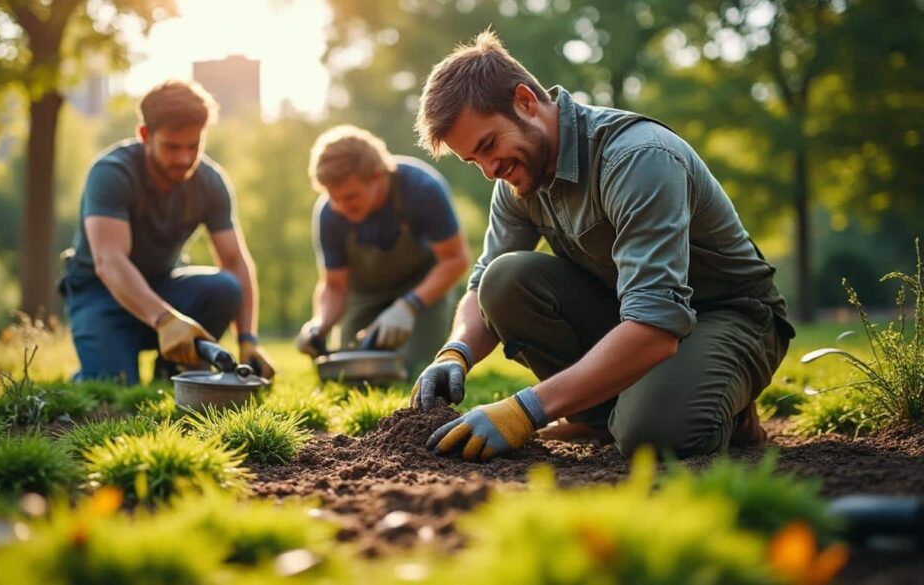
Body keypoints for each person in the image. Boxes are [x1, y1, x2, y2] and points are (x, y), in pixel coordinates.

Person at [410, 31, 795, 461]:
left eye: (488, 145)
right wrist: (455, 352)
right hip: (632, 315)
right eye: (473, 160)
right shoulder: (517, 179)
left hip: (730, 315)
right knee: (504, 280)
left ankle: (721, 404)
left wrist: (525, 409)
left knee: (653, 435)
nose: (489, 169)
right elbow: (481, 287)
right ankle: (601, 419)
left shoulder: (637, 158)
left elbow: (656, 326)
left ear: (525, 101)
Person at [60, 80, 274, 384]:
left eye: (193, 146)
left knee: (225, 288)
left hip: (164, 287)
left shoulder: (210, 182)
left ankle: (172, 371)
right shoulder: (111, 173)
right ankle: (92, 372)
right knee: (115, 386)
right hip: (100, 294)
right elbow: (109, 261)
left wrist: (248, 339)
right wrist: (164, 319)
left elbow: (235, 262)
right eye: (172, 147)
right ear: (145, 135)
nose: (184, 159)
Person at [296, 125, 470, 372]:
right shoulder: (328, 213)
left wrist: (409, 305)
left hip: (422, 289)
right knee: (352, 366)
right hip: (364, 294)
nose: (340, 207)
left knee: (418, 366)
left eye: (351, 197)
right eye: (333, 197)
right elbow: (335, 285)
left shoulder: (423, 189)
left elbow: (455, 259)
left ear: (378, 177)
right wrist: (319, 324)